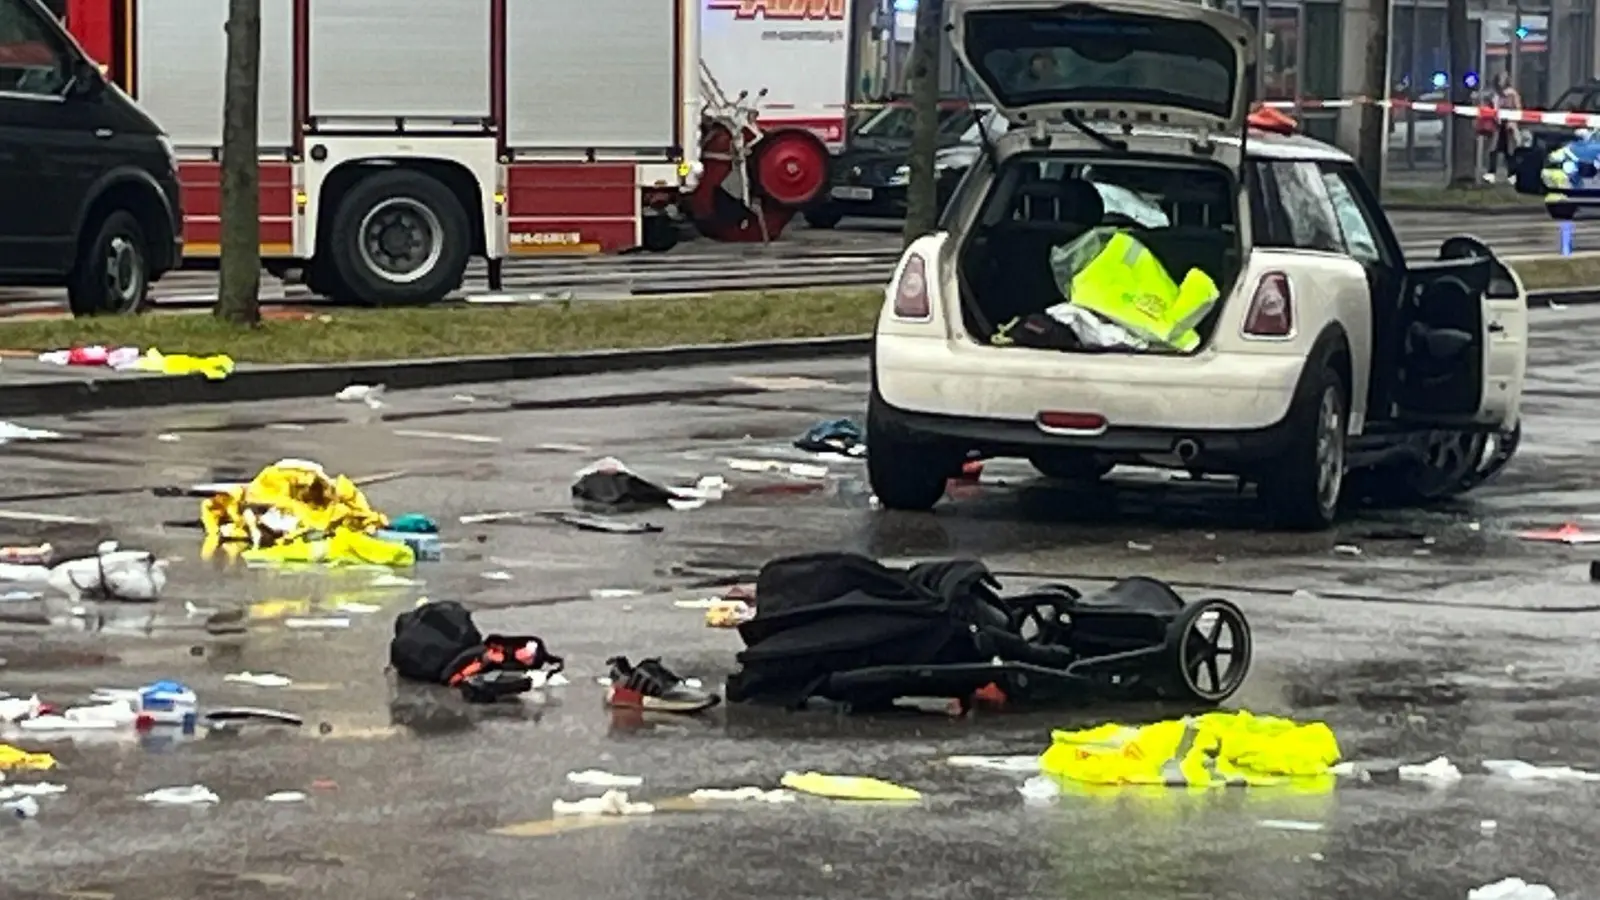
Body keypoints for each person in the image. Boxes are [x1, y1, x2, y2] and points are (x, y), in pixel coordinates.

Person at [1483, 71, 1522, 183]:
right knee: (1493, 150)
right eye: (1500, 79)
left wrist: (1513, 121)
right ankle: (1491, 173)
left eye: (1504, 79)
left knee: (1509, 151)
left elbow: (1518, 108)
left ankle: (1512, 174)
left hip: (1508, 125)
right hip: (1497, 125)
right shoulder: (1494, 94)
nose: (1502, 81)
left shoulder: (1512, 94)